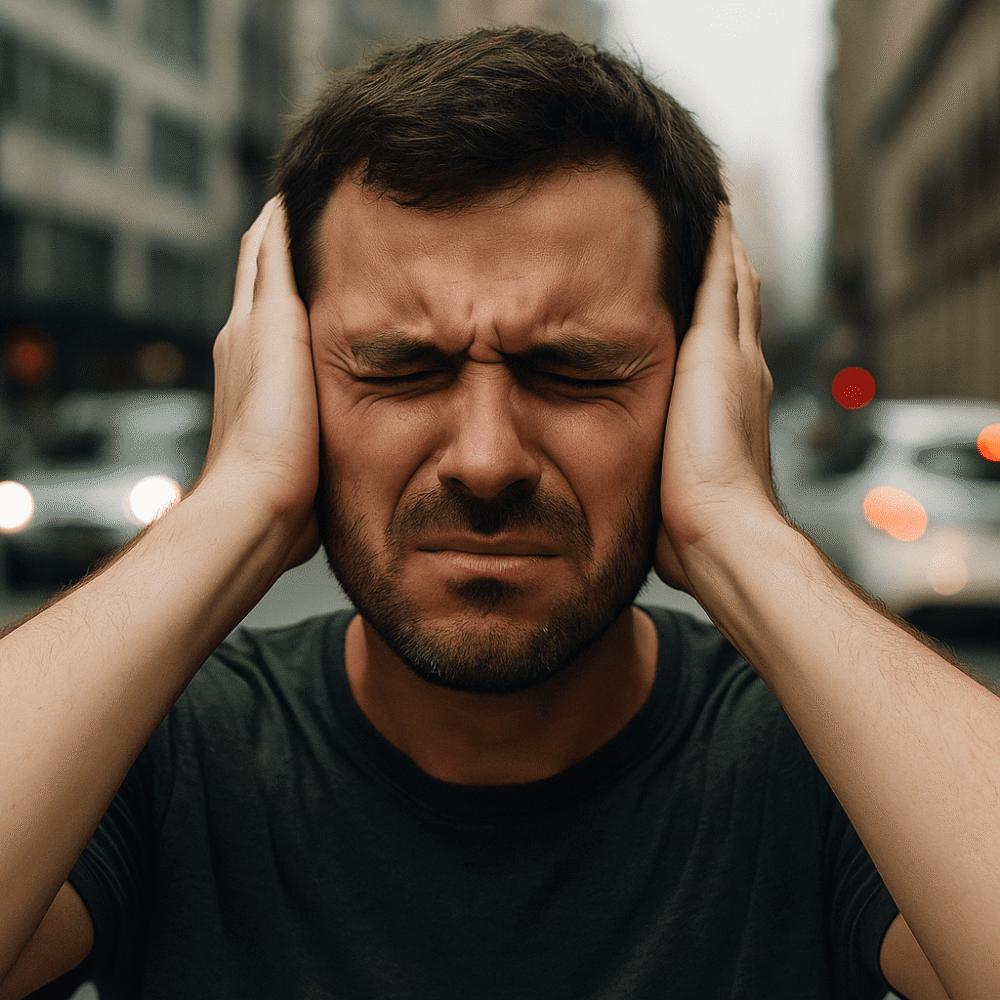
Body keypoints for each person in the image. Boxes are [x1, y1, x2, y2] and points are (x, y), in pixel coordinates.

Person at [0, 25, 996, 1000]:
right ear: (285, 378)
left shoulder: (819, 758)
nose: (485, 460)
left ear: (701, 381)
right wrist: (235, 506)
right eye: (401, 368)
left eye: (572, 369)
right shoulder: (157, 743)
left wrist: (739, 532)